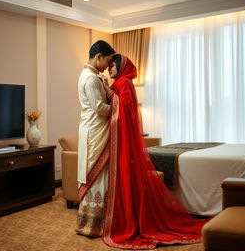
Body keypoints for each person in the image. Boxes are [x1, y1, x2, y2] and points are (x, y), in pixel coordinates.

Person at [78, 53, 210, 249]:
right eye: (109, 64)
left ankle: (122, 221)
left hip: (115, 138)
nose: (109, 69)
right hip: (102, 134)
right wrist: (108, 89)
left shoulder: (123, 83)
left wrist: (107, 88)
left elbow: (122, 109)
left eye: (113, 66)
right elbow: (116, 106)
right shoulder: (114, 81)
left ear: (121, 67)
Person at [76, 40, 115, 237]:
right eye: (108, 61)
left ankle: (97, 224)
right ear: (98, 56)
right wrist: (120, 108)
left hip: (95, 130)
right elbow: (99, 108)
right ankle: (91, 225)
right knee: (96, 175)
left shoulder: (93, 76)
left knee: (102, 175)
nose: (109, 67)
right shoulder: (90, 78)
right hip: (94, 131)